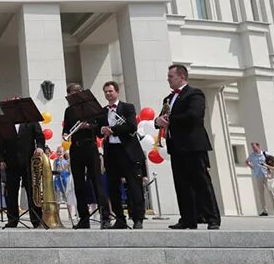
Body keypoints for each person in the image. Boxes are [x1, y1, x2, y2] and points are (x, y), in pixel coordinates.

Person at [155, 63, 221, 230]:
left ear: (182, 77)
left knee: (201, 183)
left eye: (171, 76)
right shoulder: (168, 99)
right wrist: (158, 121)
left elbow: (194, 116)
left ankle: (212, 218)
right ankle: (187, 219)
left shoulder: (195, 94)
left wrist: (170, 120)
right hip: (176, 147)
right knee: (181, 184)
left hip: (193, 146)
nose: (168, 79)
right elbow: (162, 117)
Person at [95, 81, 147, 229]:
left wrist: (113, 130)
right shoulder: (103, 111)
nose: (108, 94)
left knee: (134, 186)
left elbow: (132, 126)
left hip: (128, 151)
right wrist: (102, 130)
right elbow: (98, 131)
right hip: (111, 151)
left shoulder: (127, 107)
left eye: (110, 91)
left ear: (117, 92)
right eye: (105, 92)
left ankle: (138, 218)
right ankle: (120, 218)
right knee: (112, 186)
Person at [62, 83, 111, 229]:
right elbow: (66, 129)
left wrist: (89, 126)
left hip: (90, 146)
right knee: (78, 184)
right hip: (75, 148)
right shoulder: (69, 110)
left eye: (76, 92)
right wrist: (66, 133)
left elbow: (100, 129)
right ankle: (84, 219)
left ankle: (105, 217)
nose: (73, 96)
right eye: (71, 94)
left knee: (97, 181)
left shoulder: (92, 108)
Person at [3, 110, 46, 228]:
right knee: (11, 192)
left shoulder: (31, 120)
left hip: (28, 162)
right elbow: (1, 141)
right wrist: (1, 159)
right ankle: (12, 219)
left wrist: (40, 147)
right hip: (11, 163)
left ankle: (36, 219)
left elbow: (39, 136)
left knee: (32, 191)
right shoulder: (7, 123)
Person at [246, 142, 274, 216]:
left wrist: (270, 169)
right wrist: (253, 168)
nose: (253, 149)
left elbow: (271, 162)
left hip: (266, 175)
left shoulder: (265, 154)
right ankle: (264, 211)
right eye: (252, 148)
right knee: (261, 194)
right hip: (258, 176)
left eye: (254, 147)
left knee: (271, 192)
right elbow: (246, 162)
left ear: (258, 147)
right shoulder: (252, 156)